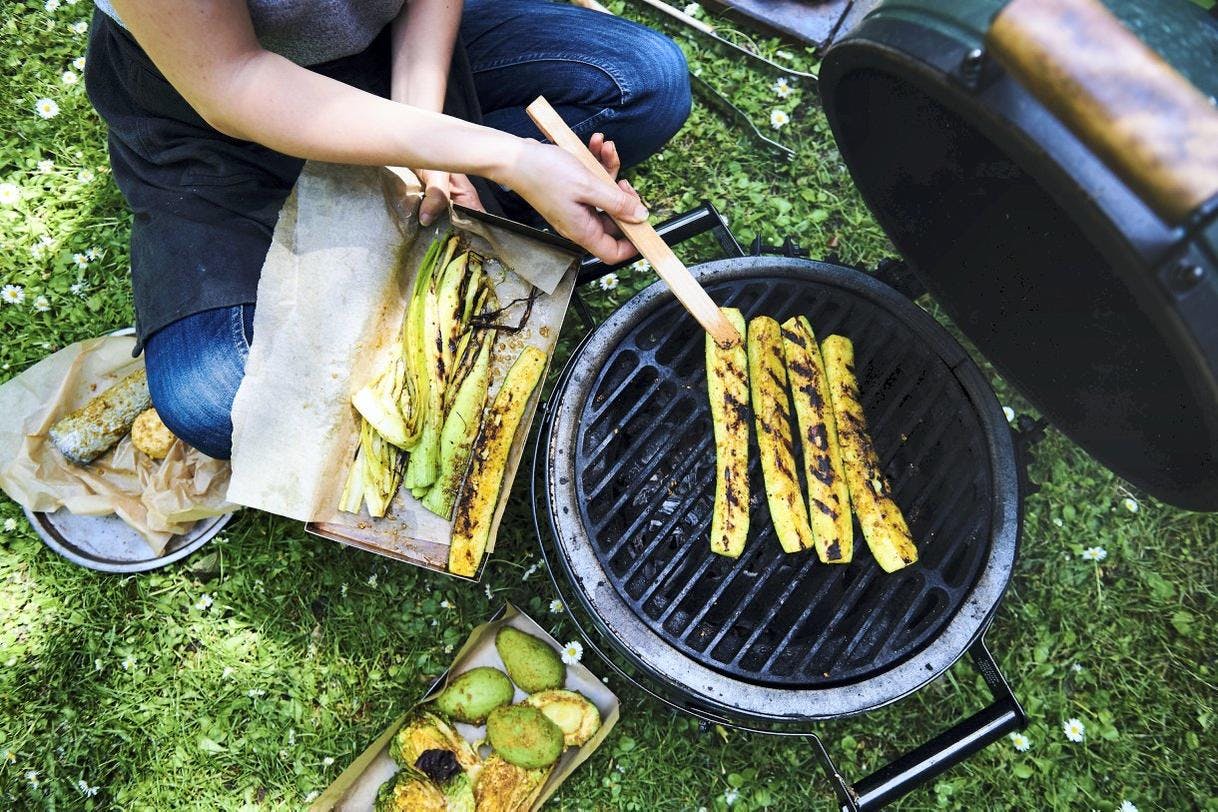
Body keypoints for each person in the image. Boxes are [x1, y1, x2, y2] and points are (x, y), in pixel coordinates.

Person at [85, 0, 691, 459]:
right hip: (209, 110)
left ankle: (446, 217)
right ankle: (457, 222)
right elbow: (233, 82)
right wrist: (506, 156)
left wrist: (427, 136)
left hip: (385, 44)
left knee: (646, 81)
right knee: (217, 398)